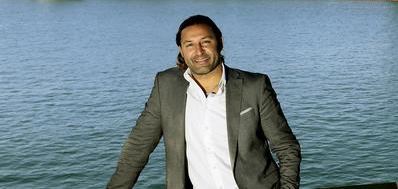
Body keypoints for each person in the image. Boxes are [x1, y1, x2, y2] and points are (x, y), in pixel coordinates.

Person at [107, 15, 300, 188]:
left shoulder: (254, 86)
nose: (198, 51)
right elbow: (138, 147)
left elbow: (286, 147)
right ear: (181, 50)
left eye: (205, 42)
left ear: (220, 42)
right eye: (189, 44)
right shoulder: (165, 85)